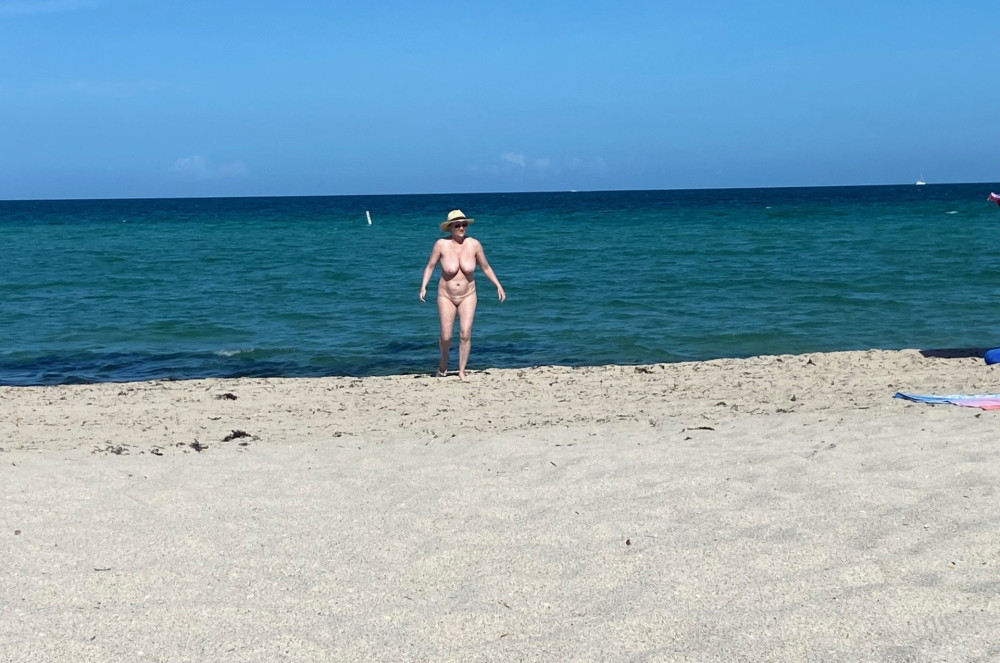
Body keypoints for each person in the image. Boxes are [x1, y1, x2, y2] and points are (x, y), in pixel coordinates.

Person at [419, 210, 506, 381]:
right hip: (446, 294)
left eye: (463, 224)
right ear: (450, 227)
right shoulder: (441, 245)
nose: (461, 228)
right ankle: (443, 364)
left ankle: (461, 371)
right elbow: (430, 266)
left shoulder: (474, 244)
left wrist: (498, 285)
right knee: (446, 336)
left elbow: (485, 267)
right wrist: (423, 287)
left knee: (465, 333)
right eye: (457, 225)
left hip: (468, 294)